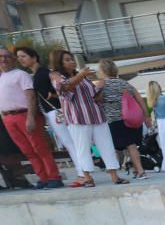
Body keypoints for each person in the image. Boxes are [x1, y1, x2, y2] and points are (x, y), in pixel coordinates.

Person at [50, 50, 128, 186]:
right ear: (60, 63)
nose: (72, 62)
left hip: (96, 114)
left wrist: (101, 90)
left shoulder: (82, 76)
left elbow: (94, 93)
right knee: (82, 147)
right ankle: (87, 177)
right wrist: (81, 75)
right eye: (67, 60)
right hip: (77, 117)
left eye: (72, 59)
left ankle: (115, 176)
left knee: (107, 145)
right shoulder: (57, 75)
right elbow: (66, 87)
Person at [0, 48, 63, 189]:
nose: (3, 59)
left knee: (39, 148)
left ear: (13, 59)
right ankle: (43, 178)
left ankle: (54, 177)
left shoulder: (21, 74)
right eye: (0, 57)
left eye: (6, 56)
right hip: (8, 118)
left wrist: (30, 117)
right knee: (27, 150)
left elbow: (31, 96)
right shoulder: (2, 77)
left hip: (24, 114)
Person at [16, 47, 77, 177]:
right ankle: (82, 172)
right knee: (70, 142)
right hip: (53, 111)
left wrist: (53, 95)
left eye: (23, 56)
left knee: (69, 143)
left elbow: (61, 89)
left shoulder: (43, 73)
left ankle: (83, 174)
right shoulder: (39, 73)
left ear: (34, 57)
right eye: (19, 57)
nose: (20, 59)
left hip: (56, 111)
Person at [97, 58, 152, 180]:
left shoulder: (102, 84)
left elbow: (96, 99)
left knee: (124, 146)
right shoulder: (125, 83)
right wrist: (146, 116)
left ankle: (140, 171)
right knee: (130, 145)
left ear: (102, 71)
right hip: (131, 119)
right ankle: (136, 170)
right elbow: (139, 99)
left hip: (115, 120)